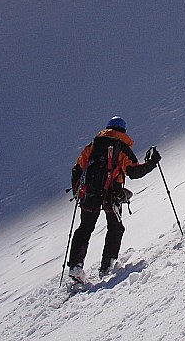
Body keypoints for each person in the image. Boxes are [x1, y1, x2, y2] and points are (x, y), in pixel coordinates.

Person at [67, 116, 160, 282]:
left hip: (89, 194)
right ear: (123, 131)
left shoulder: (93, 145)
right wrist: (152, 162)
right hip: (112, 195)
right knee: (116, 228)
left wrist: (78, 190)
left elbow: (77, 168)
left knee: (85, 228)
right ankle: (107, 266)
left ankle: (76, 266)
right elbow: (134, 172)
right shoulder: (122, 148)